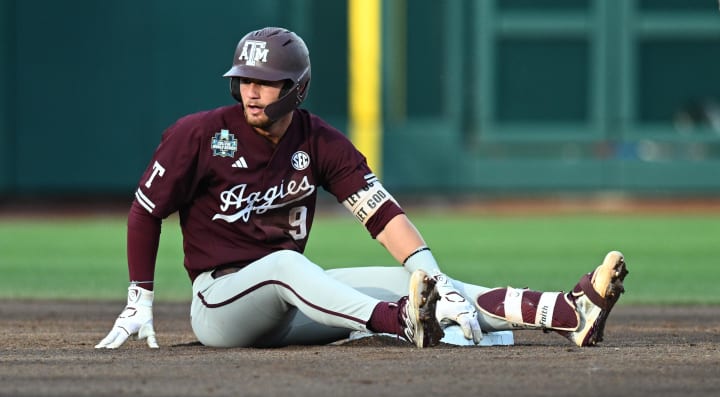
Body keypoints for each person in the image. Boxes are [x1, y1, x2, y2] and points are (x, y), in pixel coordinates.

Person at [96, 27, 628, 350]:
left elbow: (381, 214)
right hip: (220, 304)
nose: (252, 92)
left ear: (296, 88)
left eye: (266, 82)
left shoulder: (319, 140)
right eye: (245, 80)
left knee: (418, 279)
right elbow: (145, 212)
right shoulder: (200, 134)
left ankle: (565, 311)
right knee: (287, 265)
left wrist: (432, 278)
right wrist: (139, 297)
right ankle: (400, 324)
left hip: (291, 305)